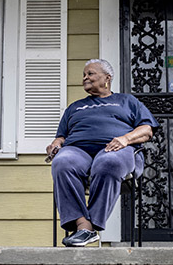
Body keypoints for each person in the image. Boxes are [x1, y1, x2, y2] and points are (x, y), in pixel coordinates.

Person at [47, 59, 158, 247]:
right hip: (78, 150)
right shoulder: (75, 107)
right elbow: (62, 136)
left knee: (108, 162)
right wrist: (56, 144)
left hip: (115, 147)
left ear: (107, 78)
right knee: (62, 162)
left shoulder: (127, 101)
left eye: (90, 73)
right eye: (84, 74)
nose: (85, 78)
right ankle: (83, 226)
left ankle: (89, 229)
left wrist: (125, 139)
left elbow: (147, 129)